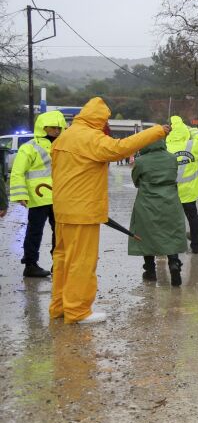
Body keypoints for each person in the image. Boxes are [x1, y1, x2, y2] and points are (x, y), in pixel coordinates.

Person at [51, 97, 169, 324]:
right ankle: (78, 311)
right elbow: (119, 149)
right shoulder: (90, 137)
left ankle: (59, 306)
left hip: (63, 209)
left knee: (63, 260)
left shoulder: (65, 136)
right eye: (105, 119)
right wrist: (155, 132)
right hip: (83, 211)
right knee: (82, 262)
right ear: (99, 119)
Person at [8, 110, 67, 278]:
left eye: (59, 127)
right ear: (43, 127)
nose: (56, 131)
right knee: (35, 232)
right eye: (53, 127)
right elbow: (18, 172)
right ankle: (30, 265)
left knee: (61, 233)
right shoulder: (29, 147)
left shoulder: (65, 146)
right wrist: (21, 194)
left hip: (59, 196)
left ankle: (59, 264)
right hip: (38, 197)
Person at [129, 139, 187, 286]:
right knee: (171, 233)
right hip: (170, 202)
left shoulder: (141, 161)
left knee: (146, 235)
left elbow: (136, 181)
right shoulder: (172, 158)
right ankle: (174, 263)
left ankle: (150, 271)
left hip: (147, 203)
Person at [165, 116, 198, 253]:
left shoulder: (166, 147)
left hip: (171, 190)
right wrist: (193, 130)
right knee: (193, 218)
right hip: (189, 191)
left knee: (170, 219)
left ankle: (170, 246)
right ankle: (196, 246)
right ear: (185, 129)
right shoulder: (191, 146)